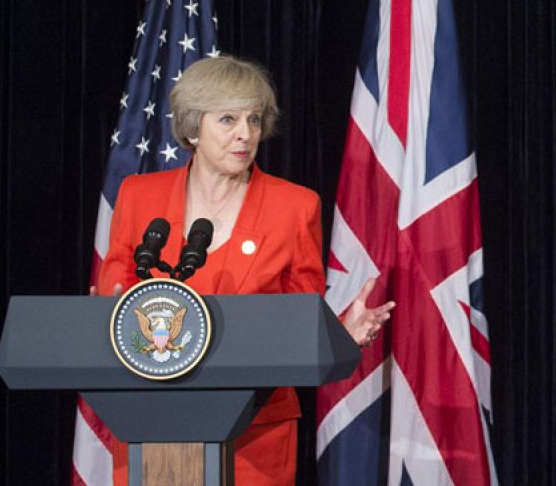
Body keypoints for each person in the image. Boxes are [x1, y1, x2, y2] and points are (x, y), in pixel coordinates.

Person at [95, 55, 392, 485]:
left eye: (254, 120)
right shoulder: (139, 196)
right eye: (228, 119)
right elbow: (115, 294)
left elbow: (301, 316)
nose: (245, 134)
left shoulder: (294, 206)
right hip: (151, 420)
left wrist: (336, 335)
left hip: (254, 428)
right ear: (193, 128)